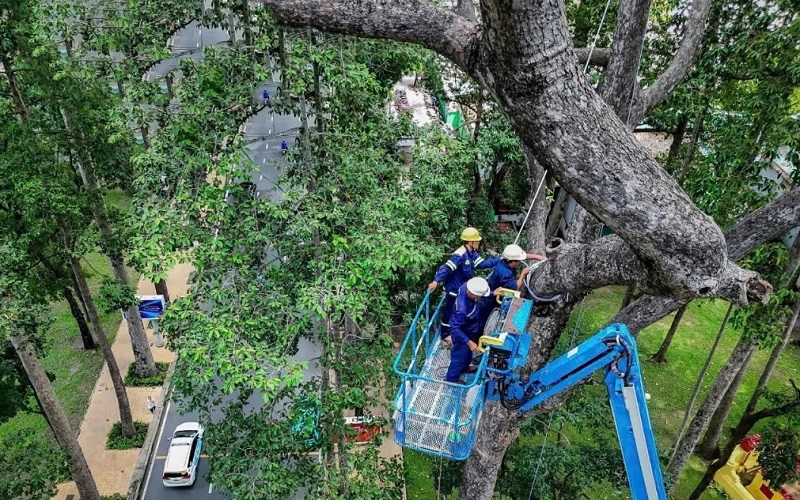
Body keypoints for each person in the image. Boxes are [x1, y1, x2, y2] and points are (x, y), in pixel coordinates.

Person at [427, 228, 500, 343]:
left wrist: (499, 260)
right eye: (477, 240)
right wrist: (436, 281)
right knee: (450, 311)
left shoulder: (472, 253)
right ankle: (445, 334)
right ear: (470, 242)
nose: (479, 242)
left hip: (464, 288)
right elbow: (447, 268)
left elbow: (481, 264)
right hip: (454, 289)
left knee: (461, 311)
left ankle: (458, 331)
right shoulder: (459, 255)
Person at [479, 244, 547, 324]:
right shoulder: (505, 274)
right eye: (519, 261)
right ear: (513, 262)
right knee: (485, 321)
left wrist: (539, 257)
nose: (520, 262)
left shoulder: (504, 260)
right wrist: (522, 275)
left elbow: (523, 256)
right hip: (491, 301)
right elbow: (515, 288)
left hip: (490, 292)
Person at [445, 277, 491, 383]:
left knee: (468, 353)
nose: (480, 298)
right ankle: (451, 379)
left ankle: (464, 367)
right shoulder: (462, 309)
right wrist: (468, 342)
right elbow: (455, 327)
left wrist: (492, 293)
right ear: (473, 294)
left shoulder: (467, 286)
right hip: (461, 334)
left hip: (469, 328)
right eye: (479, 296)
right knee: (459, 357)